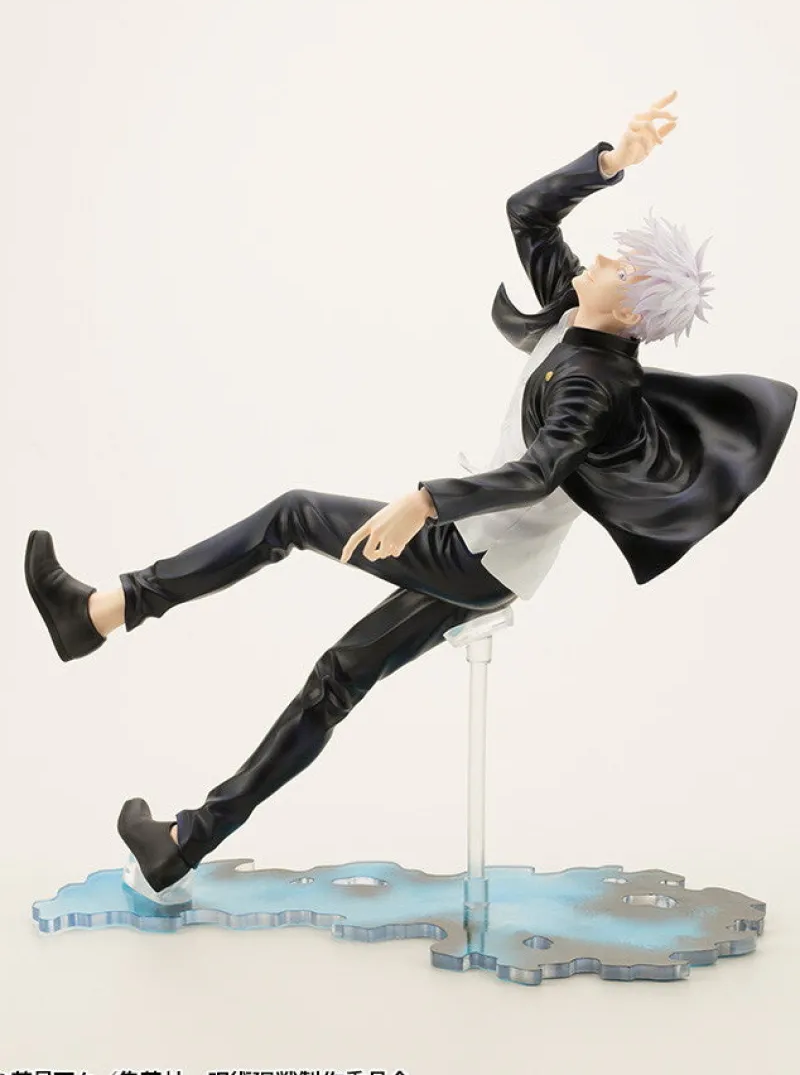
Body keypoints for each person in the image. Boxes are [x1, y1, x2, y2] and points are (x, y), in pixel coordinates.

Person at [24, 90, 797, 897]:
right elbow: (526, 213)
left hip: (475, 554)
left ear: (631, 306)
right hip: (489, 558)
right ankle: (182, 843)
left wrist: (425, 501)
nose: (599, 260)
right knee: (337, 677)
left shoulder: (597, 383)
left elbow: (536, 473)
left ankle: (104, 610)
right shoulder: (576, 312)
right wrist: (611, 161)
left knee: (293, 515)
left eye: (618, 266)